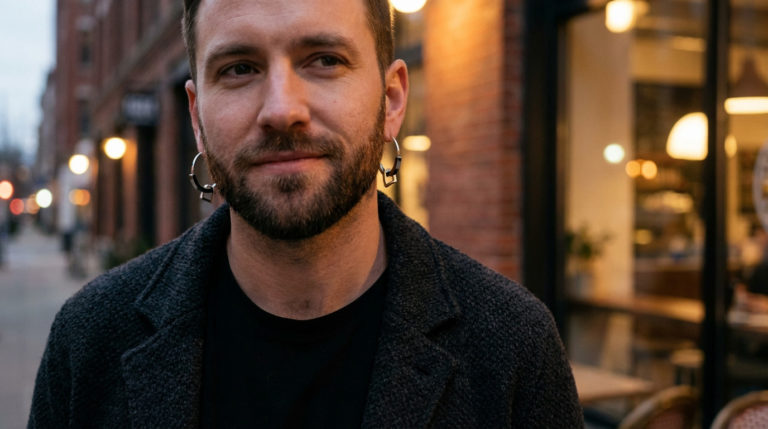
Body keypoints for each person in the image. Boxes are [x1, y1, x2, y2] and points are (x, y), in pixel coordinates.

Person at [28, 0, 583, 427]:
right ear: (196, 117)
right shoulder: (90, 342)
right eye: (240, 68)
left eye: (324, 60)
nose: (282, 110)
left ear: (391, 99)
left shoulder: (513, 350)